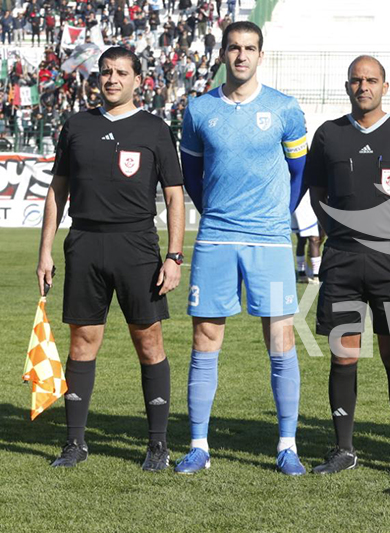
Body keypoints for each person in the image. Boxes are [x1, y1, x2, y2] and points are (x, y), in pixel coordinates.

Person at [36, 46, 185, 471]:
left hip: (137, 245)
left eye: (121, 72)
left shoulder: (155, 129)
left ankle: (157, 445)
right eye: (105, 72)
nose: (112, 79)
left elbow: (174, 196)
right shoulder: (77, 126)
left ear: (139, 79)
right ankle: (75, 443)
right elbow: (57, 191)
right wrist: (45, 251)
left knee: (149, 341)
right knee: (82, 342)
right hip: (84, 242)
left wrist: (173, 256)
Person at [174, 21, 309, 476]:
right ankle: (198, 445)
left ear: (260, 54)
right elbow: (191, 176)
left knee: (280, 339)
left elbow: (299, 172)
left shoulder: (285, 109)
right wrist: (214, 211)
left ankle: (287, 445)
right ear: (223, 54)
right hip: (215, 236)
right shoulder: (198, 111)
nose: (241, 56)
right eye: (234, 48)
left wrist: (276, 217)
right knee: (205, 338)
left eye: (250, 48)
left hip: (269, 239)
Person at [305, 55, 390, 478]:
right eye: (357, 80)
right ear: (347, 86)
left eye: (371, 80)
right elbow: (318, 191)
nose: (364, 87)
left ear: (385, 86)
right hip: (341, 261)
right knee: (343, 356)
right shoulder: (328, 136)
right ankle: (343, 450)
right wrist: (338, 232)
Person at [291, 190, 322, 283]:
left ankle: (304, 274)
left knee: (305, 239)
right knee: (313, 238)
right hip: (303, 199)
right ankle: (315, 276)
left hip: (302, 197)